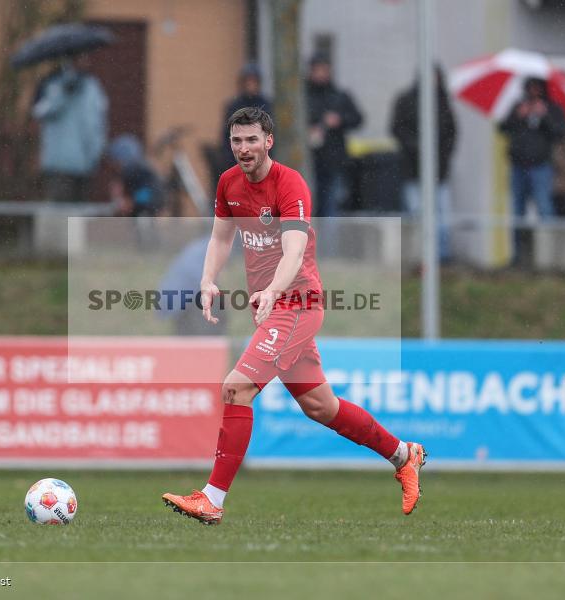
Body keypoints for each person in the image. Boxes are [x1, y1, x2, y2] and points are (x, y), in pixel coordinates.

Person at [161, 107, 426, 525]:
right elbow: (219, 236)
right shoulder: (228, 182)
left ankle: (212, 499)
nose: (243, 148)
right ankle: (402, 454)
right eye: (236, 141)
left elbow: (294, 252)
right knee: (321, 407)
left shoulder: (290, 184)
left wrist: (272, 290)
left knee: (236, 388)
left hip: (297, 305)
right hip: (271, 309)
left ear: (268, 141)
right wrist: (208, 280)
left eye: (252, 140)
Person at [390, 66, 457, 262]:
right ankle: (418, 255)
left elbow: (451, 134)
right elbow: (397, 129)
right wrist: (416, 147)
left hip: (439, 171)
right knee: (416, 213)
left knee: (442, 215)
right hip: (412, 169)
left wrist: (440, 154)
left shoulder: (443, 104)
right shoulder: (406, 101)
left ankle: (442, 256)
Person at [499, 77, 565, 264]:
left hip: (541, 167)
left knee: (545, 209)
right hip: (519, 166)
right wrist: (517, 116)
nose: (533, 91)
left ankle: (548, 257)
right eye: (530, 87)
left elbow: (560, 132)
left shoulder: (552, 108)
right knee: (517, 212)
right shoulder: (518, 106)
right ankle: (518, 256)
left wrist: (544, 116)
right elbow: (502, 127)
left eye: (537, 88)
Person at [31, 52, 108, 202]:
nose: (85, 62)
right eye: (80, 58)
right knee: (61, 216)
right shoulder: (53, 83)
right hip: (59, 165)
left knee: (79, 219)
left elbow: (97, 122)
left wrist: (96, 152)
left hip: (85, 164)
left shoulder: (92, 87)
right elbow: (40, 111)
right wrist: (62, 94)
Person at [306, 53, 363, 220]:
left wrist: (340, 120)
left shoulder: (339, 95)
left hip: (334, 161)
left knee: (331, 207)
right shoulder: (304, 97)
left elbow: (358, 118)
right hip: (309, 160)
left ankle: (328, 244)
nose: (320, 74)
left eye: (324, 70)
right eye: (317, 70)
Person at [220, 63, 274, 171]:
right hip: (237, 159)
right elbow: (226, 134)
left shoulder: (266, 105)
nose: (250, 85)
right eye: (248, 81)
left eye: (253, 81)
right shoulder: (233, 106)